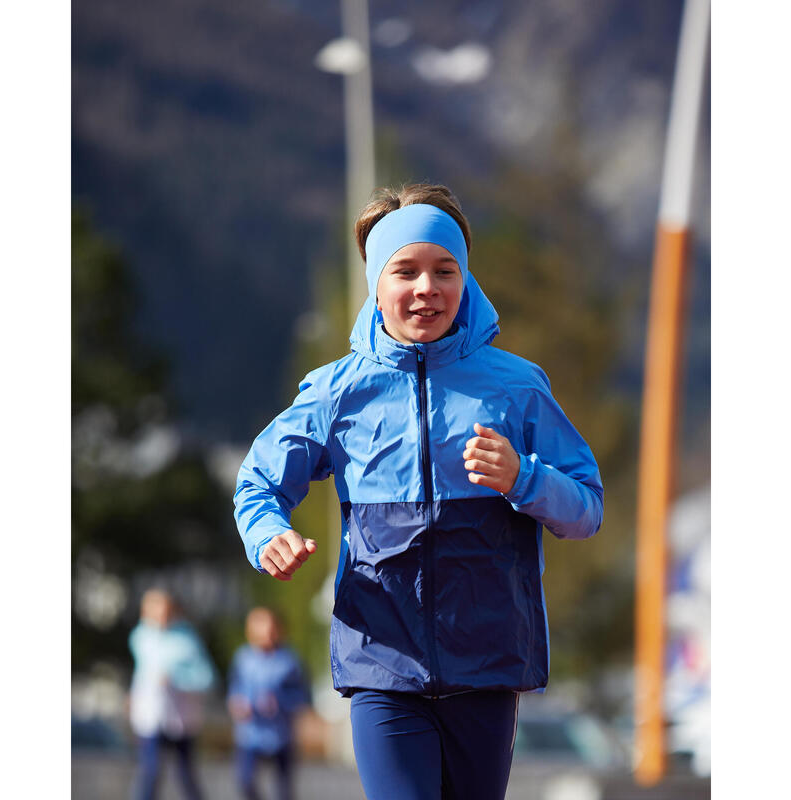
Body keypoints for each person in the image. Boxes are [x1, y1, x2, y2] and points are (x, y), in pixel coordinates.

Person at [233, 183, 604, 799]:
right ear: (377, 284)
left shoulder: (517, 387)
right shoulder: (337, 392)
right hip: (382, 666)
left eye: (444, 270)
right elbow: (259, 482)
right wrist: (268, 533)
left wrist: (524, 478)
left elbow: (586, 509)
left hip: (487, 667)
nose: (426, 287)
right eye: (405, 270)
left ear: (466, 281)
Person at [128, 588, 215, 800]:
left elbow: (207, 678)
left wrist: (177, 679)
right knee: (151, 771)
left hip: (180, 719)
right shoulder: (140, 637)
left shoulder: (187, 640)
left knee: (185, 775)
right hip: (151, 717)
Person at [227, 607, 309, 800]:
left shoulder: (289, 661)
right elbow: (235, 688)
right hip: (249, 734)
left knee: (283, 789)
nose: (267, 633)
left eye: (271, 628)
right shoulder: (243, 658)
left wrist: (280, 702)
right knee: (245, 781)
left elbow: (303, 696)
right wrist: (237, 703)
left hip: (281, 735)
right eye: (260, 628)